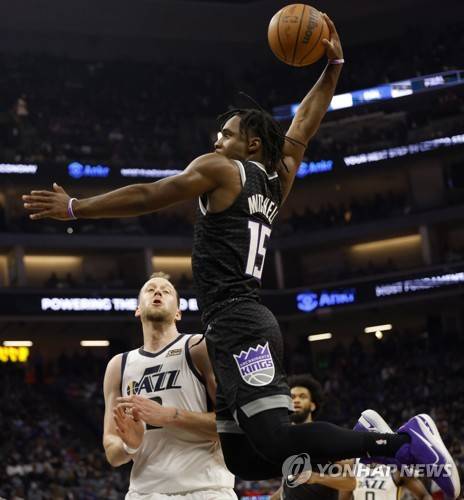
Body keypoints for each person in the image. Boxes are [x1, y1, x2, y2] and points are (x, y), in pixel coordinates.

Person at [22, 15, 460, 499]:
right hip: (231, 327)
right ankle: (359, 437)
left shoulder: (222, 169)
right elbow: (304, 126)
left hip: (239, 323)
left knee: (276, 437)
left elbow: (151, 194)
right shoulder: (279, 177)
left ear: (250, 144)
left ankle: (400, 443)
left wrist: (76, 207)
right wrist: (333, 68)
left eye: (226, 134)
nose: (216, 141)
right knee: (244, 457)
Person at [102, 273, 236, 499]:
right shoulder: (118, 365)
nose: (157, 292)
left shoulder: (198, 347)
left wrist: (170, 416)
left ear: (178, 313)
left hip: (205, 489)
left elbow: (232, 425)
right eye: (150, 289)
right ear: (137, 309)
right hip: (144, 492)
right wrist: (129, 446)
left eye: (166, 291)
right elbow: (112, 451)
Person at [271, 373, 353, 500]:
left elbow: (351, 482)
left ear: (313, 405)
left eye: (302, 396)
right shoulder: (286, 441)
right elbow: (290, 485)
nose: (296, 400)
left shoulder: (325, 437)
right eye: (292, 397)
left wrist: (316, 477)